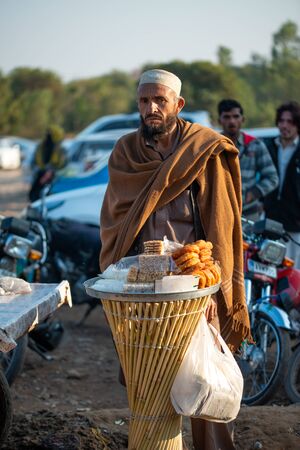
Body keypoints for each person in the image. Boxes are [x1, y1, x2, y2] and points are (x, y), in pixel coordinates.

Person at [99, 69, 251, 450]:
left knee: (203, 379)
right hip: (144, 279)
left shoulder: (203, 148)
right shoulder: (126, 151)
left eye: (159, 101)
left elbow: (220, 226)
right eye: (143, 101)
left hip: (193, 279)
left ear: (178, 105)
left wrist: (213, 291)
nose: (150, 108)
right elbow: (114, 222)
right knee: (150, 375)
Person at [218, 99, 279, 221]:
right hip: (220, 212)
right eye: (227, 117)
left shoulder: (255, 145)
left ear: (243, 119)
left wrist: (252, 194)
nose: (232, 121)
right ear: (220, 120)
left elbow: (272, 178)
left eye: (236, 116)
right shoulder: (213, 146)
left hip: (248, 214)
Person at [264, 101, 300, 268]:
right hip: (271, 219)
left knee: (292, 270)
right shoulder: (269, 146)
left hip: (295, 222)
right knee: (269, 269)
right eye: (282, 121)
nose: (285, 125)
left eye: (290, 122)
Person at [29, 124, 66, 202]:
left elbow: (62, 164)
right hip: (41, 175)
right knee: (36, 195)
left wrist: (51, 172)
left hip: (52, 177)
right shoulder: (41, 147)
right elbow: (34, 162)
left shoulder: (59, 149)